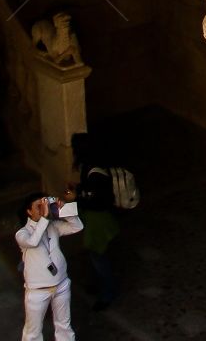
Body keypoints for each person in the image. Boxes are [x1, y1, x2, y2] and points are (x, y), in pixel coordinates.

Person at [16, 189, 83, 341]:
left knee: (64, 326)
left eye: (44, 205)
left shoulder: (53, 226)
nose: (42, 209)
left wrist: (65, 209)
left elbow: (77, 227)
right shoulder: (22, 233)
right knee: (33, 333)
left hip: (61, 284)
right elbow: (32, 242)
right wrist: (45, 219)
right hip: (37, 291)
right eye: (38, 206)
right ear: (28, 211)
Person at [71, 132, 120, 310]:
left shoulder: (94, 172)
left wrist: (79, 196)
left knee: (99, 257)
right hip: (96, 219)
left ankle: (108, 293)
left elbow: (98, 200)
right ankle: (101, 286)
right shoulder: (92, 167)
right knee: (97, 256)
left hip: (98, 221)